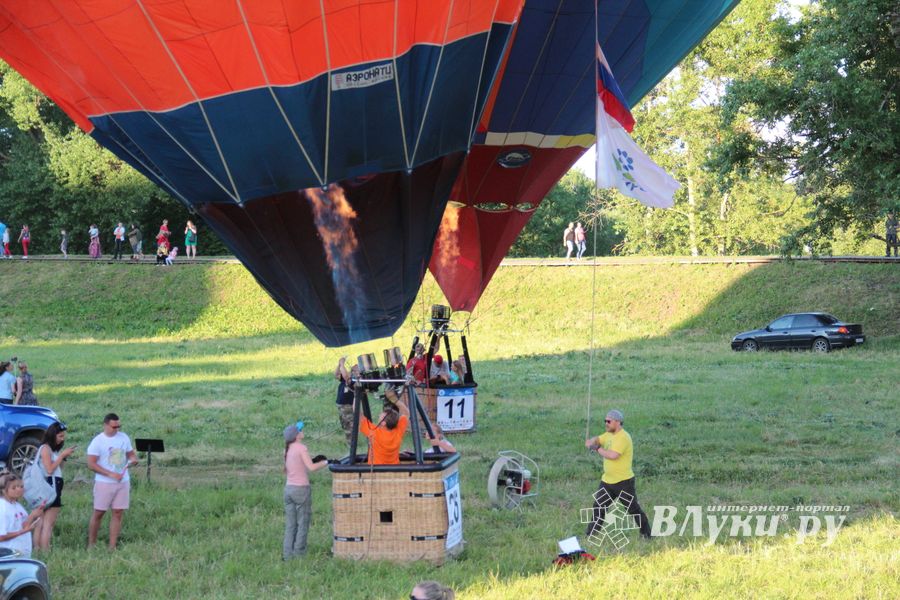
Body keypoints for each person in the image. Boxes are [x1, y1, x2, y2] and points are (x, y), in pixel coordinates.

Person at [584, 409, 651, 539]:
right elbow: (598, 439)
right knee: (598, 506)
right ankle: (591, 534)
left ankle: (647, 534)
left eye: (608, 421)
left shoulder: (623, 437)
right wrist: (592, 442)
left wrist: (597, 448)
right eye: (605, 421)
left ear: (618, 422)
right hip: (607, 481)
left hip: (623, 482)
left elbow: (613, 455)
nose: (606, 424)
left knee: (633, 509)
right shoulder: (608, 435)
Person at [87, 413, 138, 550]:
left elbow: (130, 454)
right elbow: (91, 464)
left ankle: (112, 546)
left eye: (118, 426)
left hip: (123, 481)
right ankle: (91, 544)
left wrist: (133, 459)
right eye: (114, 427)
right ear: (105, 425)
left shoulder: (124, 437)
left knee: (118, 512)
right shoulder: (98, 441)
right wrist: (110, 474)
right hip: (104, 482)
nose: (116, 429)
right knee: (99, 512)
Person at [282, 420, 328, 560]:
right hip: (301, 490)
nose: (302, 431)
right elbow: (312, 468)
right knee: (303, 523)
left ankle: (287, 555)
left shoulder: (287, 449)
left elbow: (299, 465)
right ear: (297, 436)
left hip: (288, 490)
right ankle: (299, 554)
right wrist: (326, 462)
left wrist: (314, 460)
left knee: (291, 524)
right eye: (299, 430)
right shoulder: (301, 448)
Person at [34, 422, 75, 551]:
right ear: (53, 435)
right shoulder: (45, 448)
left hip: (46, 485)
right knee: (48, 523)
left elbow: (58, 468)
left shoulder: (51, 450)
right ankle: (45, 551)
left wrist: (62, 457)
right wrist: (62, 455)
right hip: (51, 485)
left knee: (40, 521)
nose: (62, 439)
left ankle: (37, 549)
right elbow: (50, 469)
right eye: (60, 436)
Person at [356, 388, 409, 465]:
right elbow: (406, 413)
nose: (379, 415)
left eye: (381, 415)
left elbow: (357, 413)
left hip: (376, 472)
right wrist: (394, 399)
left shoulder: (374, 432)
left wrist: (357, 395)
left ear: (383, 423)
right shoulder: (398, 431)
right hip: (394, 471)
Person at [0, 472, 44, 558]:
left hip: (21, 554)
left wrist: (33, 516)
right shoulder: (2, 508)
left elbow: (23, 525)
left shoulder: (16, 505)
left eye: (21, 486)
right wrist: (23, 531)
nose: (19, 489)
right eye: (14, 488)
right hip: (8, 556)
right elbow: (1, 537)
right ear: (4, 490)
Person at [334, 356, 358, 443]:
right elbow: (336, 374)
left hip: (347, 406)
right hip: (341, 405)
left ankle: (352, 443)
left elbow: (346, 376)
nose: (354, 366)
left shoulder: (355, 381)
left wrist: (342, 364)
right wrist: (338, 364)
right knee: (344, 424)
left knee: (349, 424)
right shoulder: (347, 378)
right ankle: (350, 441)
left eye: (357, 367)